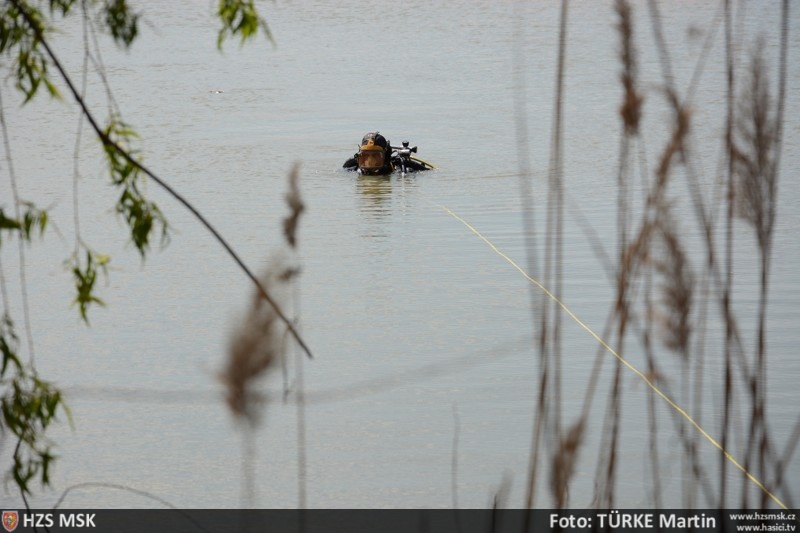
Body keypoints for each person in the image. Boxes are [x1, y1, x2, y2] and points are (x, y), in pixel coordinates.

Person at [343, 132, 433, 175]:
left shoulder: (398, 168)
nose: (370, 161)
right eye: (365, 156)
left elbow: (430, 172)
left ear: (385, 156)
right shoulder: (352, 168)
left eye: (376, 156)